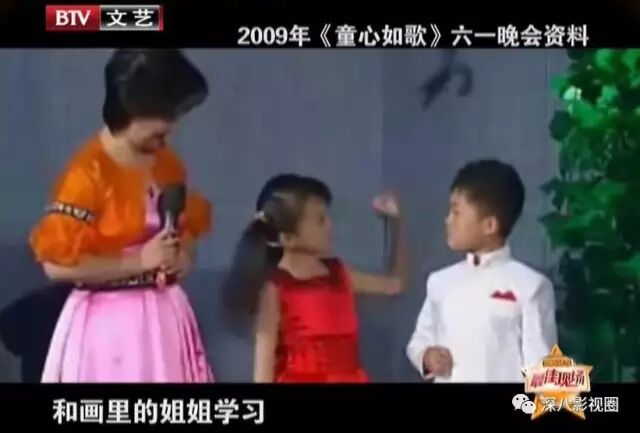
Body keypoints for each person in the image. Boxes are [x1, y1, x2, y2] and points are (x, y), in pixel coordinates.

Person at [29, 49, 213, 382]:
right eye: (166, 115)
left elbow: (184, 227)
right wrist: (138, 262)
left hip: (164, 320)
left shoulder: (167, 164)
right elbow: (56, 265)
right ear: (134, 108)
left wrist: (183, 254)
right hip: (109, 328)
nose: (171, 128)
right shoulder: (87, 175)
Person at [223, 174, 408, 383]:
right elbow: (263, 373)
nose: (330, 225)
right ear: (288, 238)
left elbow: (396, 284)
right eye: (320, 220)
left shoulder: (340, 275)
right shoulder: (276, 288)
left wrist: (396, 223)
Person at [406, 159, 557, 382]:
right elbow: (419, 341)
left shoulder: (530, 286)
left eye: (456, 212)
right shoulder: (440, 282)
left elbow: (543, 368)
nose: (448, 220)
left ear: (490, 225)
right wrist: (426, 356)